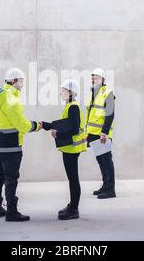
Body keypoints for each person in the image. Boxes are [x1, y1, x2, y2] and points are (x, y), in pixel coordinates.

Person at [0, 68, 42, 221]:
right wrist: (37, 125)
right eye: (22, 81)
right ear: (15, 81)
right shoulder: (12, 99)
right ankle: (11, 211)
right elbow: (22, 125)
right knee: (11, 177)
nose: (22, 85)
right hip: (10, 145)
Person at [42, 79, 87, 220]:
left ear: (70, 93)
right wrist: (45, 125)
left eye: (63, 90)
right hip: (69, 149)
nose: (60, 93)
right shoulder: (70, 106)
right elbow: (64, 125)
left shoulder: (73, 107)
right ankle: (72, 205)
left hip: (72, 150)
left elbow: (73, 129)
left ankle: (74, 209)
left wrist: (58, 134)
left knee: (73, 179)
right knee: (72, 179)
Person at [85, 68, 116, 199]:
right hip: (92, 133)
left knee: (106, 160)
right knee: (100, 160)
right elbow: (89, 116)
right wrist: (86, 132)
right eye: (92, 78)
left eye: (96, 77)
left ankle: (111, 189)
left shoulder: (107, 93)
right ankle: (105, 185)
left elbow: (110, 114)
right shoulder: (93, 94)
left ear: (103, 80)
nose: (93, 80)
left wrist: (104, 132)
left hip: (102, 134)